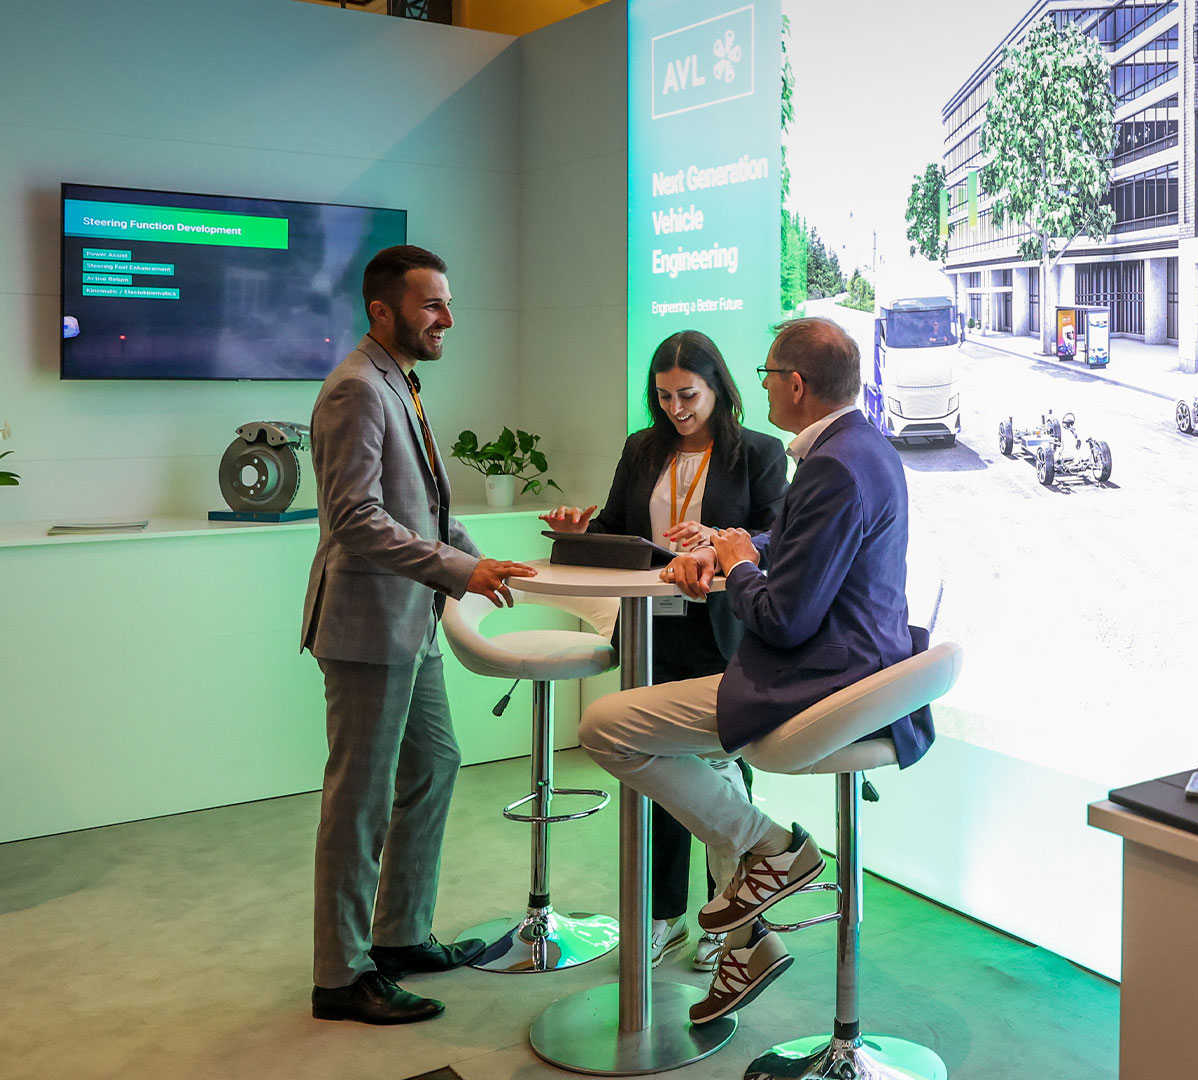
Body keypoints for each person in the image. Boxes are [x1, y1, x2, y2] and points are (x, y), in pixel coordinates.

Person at [576, 317, 934, 1025]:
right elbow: (800, 541)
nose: (764, 384)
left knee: (604, 728)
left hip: (814, 679)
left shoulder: (825, 463)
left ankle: (769, 847)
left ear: (794, 384)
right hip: (854, 669)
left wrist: (737, 563)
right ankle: (745, 940)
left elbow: (783, 620)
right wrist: (742, 546)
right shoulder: (861, 449)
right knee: (700, 766)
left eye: (769, 373)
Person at [300, 244, 536, 1025]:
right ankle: (340, 975)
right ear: (383, 310)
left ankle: (398, 936)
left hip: (412, 617)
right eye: (432, 305)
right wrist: (453, 572)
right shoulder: (355, 391)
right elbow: (356, 519)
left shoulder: (398, 382)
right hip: (368, 624)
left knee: (434, 764)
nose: (448, 319)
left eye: (446, 302)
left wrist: (473, 557)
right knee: (358, 802)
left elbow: (420, 505)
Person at [540, 330, 788, 972]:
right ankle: (663, 916)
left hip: (725, 630)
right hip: (653, 626)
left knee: (722, 772)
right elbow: (621, 531)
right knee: (661, 774)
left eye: (689, 395)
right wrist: (580, 531)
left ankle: (729, 917)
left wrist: (719, 538)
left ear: (718, 390)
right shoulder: (642, 449)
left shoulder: (759, 452)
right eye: (664, 395)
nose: (677, 408)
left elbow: (775, 536)